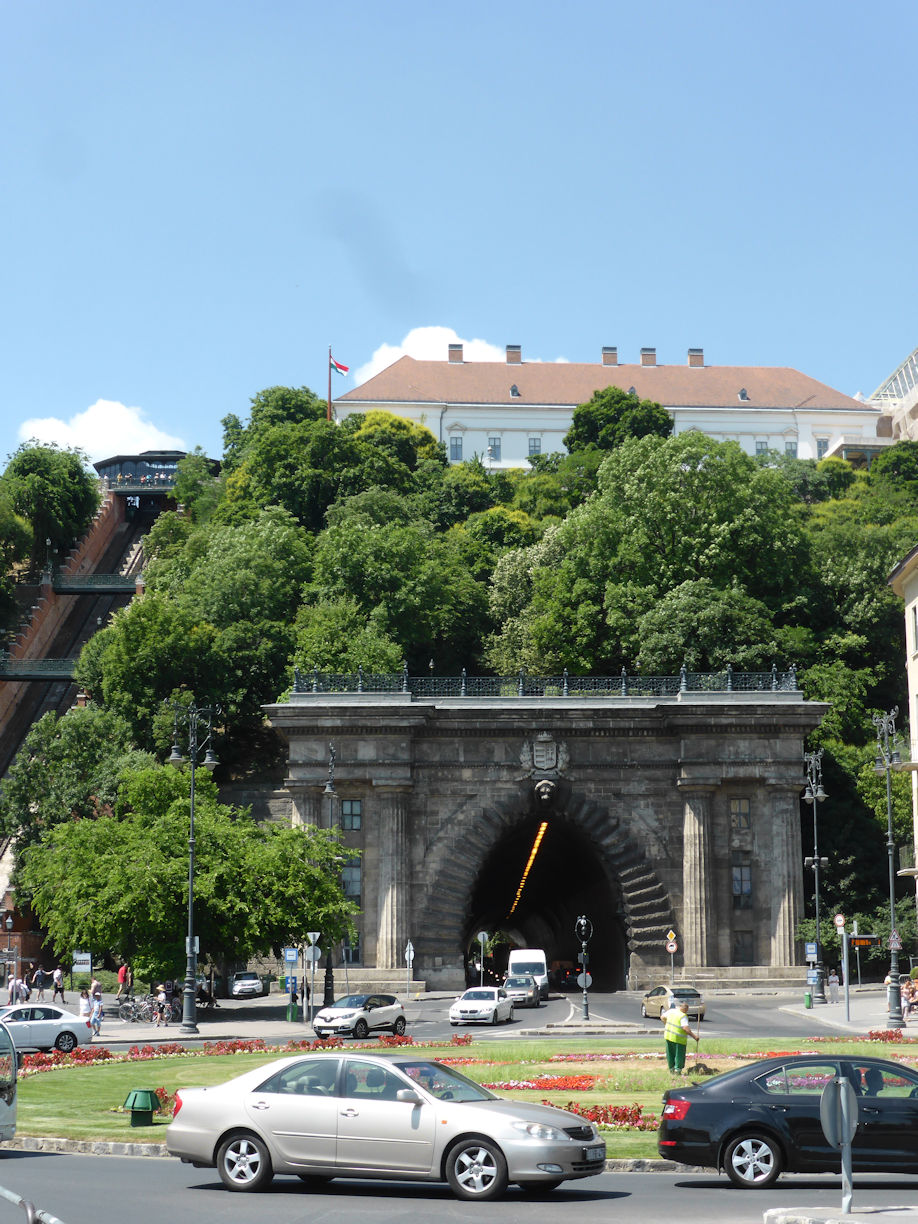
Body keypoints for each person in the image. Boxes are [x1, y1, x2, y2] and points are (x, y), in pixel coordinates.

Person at [662, 998, 699, 1075]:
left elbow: (662, 1017)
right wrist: (694, 1036)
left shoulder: (671, 1011)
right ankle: (677, 1071)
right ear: (685, 1009)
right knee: (679, 1055)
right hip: (678, 1039)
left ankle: (671, 1069)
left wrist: (666, 1024)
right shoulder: (683, 1016)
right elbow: (685, 1028)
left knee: (670, 1054)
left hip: (668, 1037)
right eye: (686, 1010)